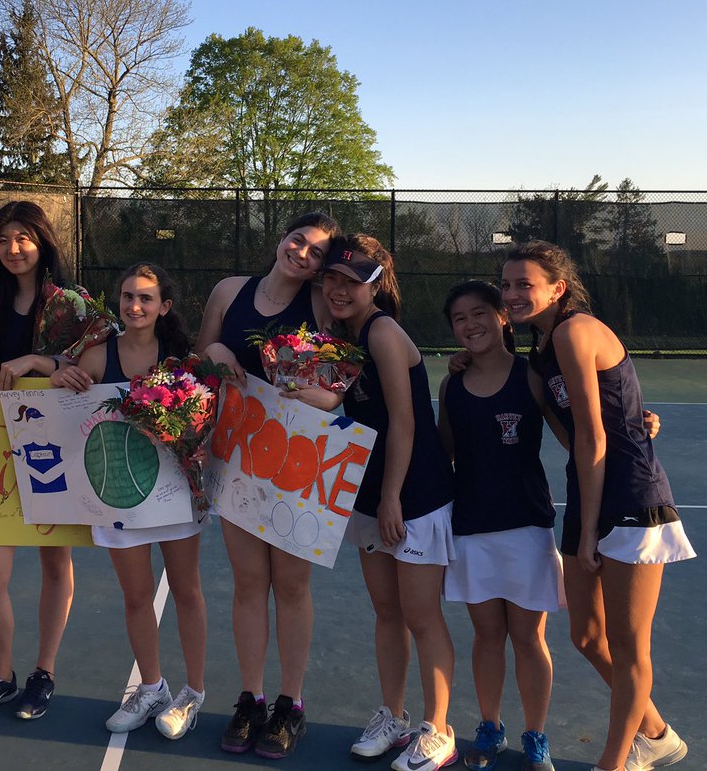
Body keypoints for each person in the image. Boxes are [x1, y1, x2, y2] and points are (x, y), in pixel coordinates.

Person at [501, 241, 694, 771]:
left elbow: (592, 435)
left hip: (630, 495)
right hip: (590, 495)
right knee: (586, 635)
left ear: (557, 288)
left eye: (525, 284)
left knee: (630, 647)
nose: (513, 294)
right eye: (507, 284)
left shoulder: (575, 331)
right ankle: (655, 732)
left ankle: (615, 762)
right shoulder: (542, 357)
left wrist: (588, 531)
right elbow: (571, 436)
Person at [195, 211, 338, 759]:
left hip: (298, 460)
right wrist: (218, 355)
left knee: (293, 586)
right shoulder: (230, 291)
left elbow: (341, 377)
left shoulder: (323, 305)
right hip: (237, 454)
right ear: (281, 238)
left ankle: (290, 704)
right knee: (249, 582)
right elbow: (199, 358)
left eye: (316, 252)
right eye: (298, 240)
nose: (302, 253)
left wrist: (325, 395)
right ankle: (251, 698)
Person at [313, 235, 459, 771]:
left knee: (422, 617)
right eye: (331, 279)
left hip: (413, 496)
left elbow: (405, 421)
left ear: (373, 286)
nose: (338, 289)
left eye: (350, 282)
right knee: (386, 612)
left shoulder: (382, 333)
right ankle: (393, 716)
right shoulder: (339, 338)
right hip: (369, 494)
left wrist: (394, 497)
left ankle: (439, 730)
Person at [53, 262, 208, 740]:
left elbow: (203, 417)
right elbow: (68, 394)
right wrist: (62, 378)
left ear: (164, 307)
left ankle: (193, 694)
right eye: (126, 297)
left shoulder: (181, 358)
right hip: (118, 493)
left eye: (145, 298)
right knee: (137, 595)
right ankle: (152, 686)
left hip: (172, 493)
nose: (134, 305)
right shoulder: (100, 355)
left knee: (186, 592)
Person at [437, 280, 563, 771]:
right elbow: (442, 452)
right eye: (460, 319)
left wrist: (635, 424)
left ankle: (536, 735)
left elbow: (574, 430)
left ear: (502, 318)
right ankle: (489, 728)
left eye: (480, 314)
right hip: (471, 527)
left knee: (530, 638)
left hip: (527, 526)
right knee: (487, 636)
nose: (471, 325)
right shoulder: (452, 384)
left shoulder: (531, 376)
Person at [0, 200, 75, 724]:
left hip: (53, 449)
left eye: (23, 238)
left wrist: (39, 362)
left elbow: (94, 361)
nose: (13, 249)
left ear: (43, 241)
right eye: (4, 240)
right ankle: (1, 675)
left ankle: (43, 673)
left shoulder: (68, 303)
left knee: (55, 562)